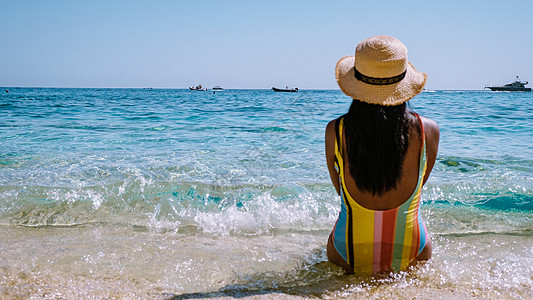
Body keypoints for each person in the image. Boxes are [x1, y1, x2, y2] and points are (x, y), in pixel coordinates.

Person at [325, 35, 440, 274]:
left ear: (356, 82)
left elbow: (341, 189)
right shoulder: (428, 130)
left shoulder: (335, 131)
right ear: (403, 83)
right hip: (411, 247)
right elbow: (420, 182)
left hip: (349, 249)